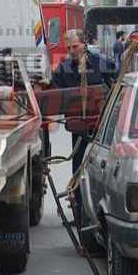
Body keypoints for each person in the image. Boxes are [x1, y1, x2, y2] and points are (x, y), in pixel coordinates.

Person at [51, 29, 117, 175]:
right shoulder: (63, 69)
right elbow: (55, 91)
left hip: (101, 125)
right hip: (78, 126)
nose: (72, 51)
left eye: (75, 46)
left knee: (101, 166)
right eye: (68, 48)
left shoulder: (100, 63)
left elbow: (117, 83)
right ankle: (77, 188)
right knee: (79, 166)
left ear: (84, 44)